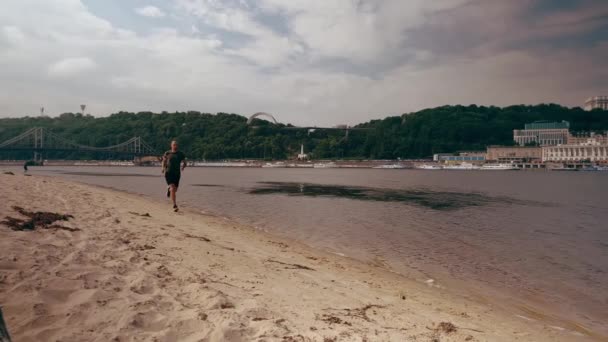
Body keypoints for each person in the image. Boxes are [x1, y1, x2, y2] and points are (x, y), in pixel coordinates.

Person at [161, 140, 186, 212]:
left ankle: (169, 189)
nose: (175, 146)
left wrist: (183, 167)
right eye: (174, 145)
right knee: (172, 188)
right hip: (168, 173)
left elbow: (185, 162)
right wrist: (163, 168)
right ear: (171, 145)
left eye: (176, 145)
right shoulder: (167, 153)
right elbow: (164, 161)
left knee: (175, 190)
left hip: (177, 174)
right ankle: (174, 205)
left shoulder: (180, 154)